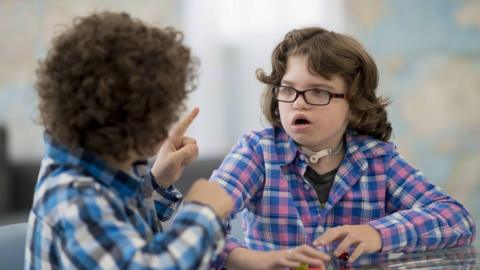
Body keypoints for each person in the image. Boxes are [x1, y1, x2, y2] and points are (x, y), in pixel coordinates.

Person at [210, 27, 476, 269]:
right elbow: (201, 226)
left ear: (353, 106)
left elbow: (457, 219)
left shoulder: (377, 159)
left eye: (318, 92)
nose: (298, 103)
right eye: (288, 90)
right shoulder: (257, 151)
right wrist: (258, 261)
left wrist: (378, 233)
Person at [25, 11, 233, 270]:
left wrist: (157, 181)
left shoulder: (98, 168)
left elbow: (122, 234)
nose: (167, 125)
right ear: (129, 121)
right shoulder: (75, 199)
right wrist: (203, 214)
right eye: (162, 114)